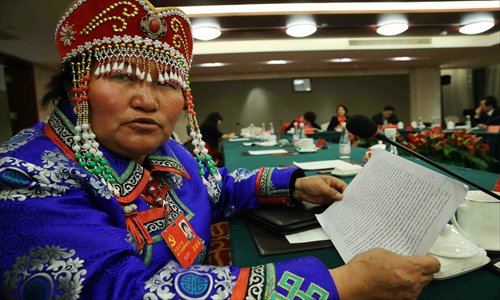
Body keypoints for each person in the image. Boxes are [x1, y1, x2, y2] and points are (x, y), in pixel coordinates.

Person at [0, 0, 439, 299]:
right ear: (77, 87)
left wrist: (293, 182)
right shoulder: (23, 178)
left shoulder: (166, 152)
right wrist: (340, 284)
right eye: (123, 76)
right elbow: (123, 291)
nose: (149, 100)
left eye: (168, 84)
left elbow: (216, 188)